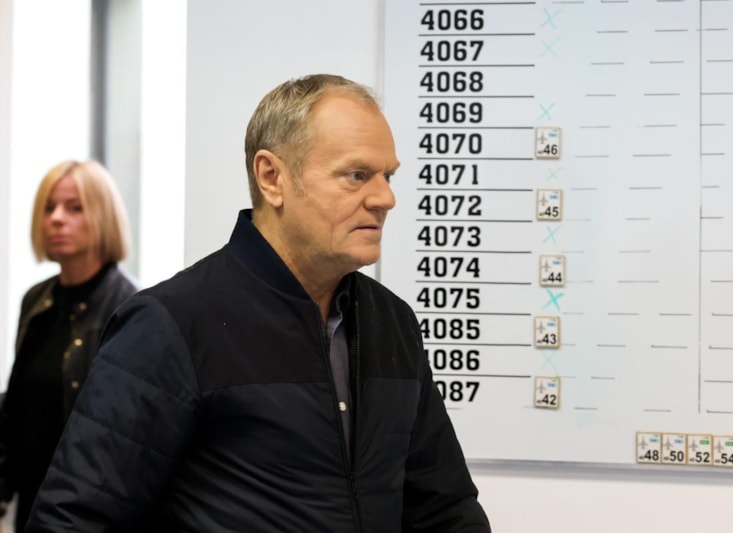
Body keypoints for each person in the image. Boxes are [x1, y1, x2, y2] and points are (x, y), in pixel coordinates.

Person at [26, 74, 491, 532]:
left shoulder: (391, 323)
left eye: (387, 176)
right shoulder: (172, 324)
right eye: (357, 175)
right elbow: (73, 520)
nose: (385, 198)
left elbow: (445, 508)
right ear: (272, 177)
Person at [0, 160, 137, 531]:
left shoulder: (131, 307)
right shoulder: (37, 301)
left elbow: (126, 436)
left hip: (89, 512)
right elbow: (16, 409)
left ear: (104, 216)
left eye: (75, 208)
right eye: (49, 208)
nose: (57, 219)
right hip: (33, 503)